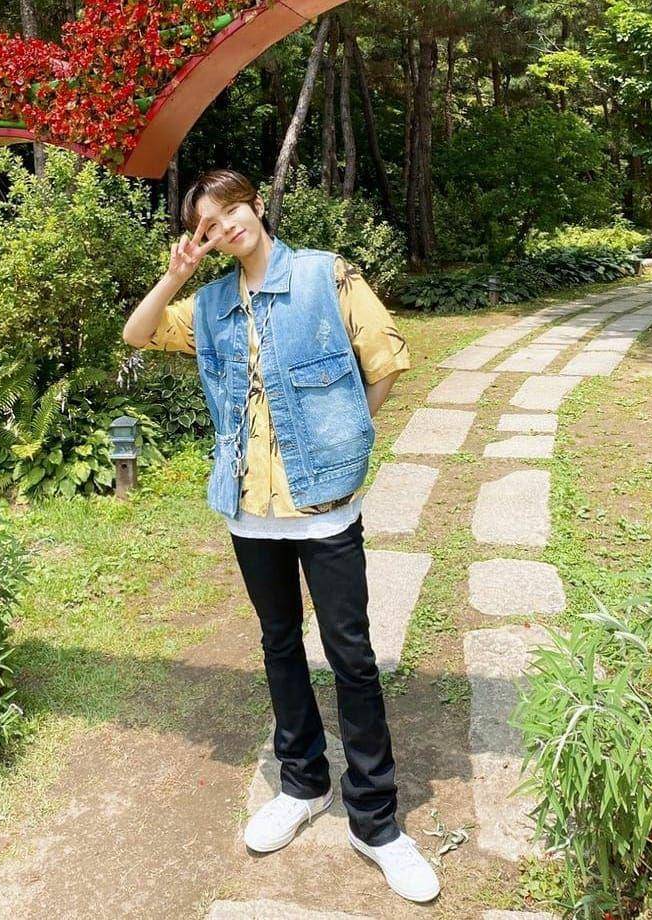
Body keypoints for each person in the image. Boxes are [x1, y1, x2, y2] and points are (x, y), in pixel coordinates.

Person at [122, 168, 440, 903]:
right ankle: (302, 783)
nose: (226, 227)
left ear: (256, 205)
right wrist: (175, 276)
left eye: (232, 210)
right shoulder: (210, 305)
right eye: (208, 224)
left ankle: (376, 822)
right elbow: (137, 334)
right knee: (278, 642)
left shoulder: (326, 275)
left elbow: (385, 358)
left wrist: (344, 436)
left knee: (351, 655)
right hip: (248, 505)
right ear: (202, 237)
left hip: (323, 504)